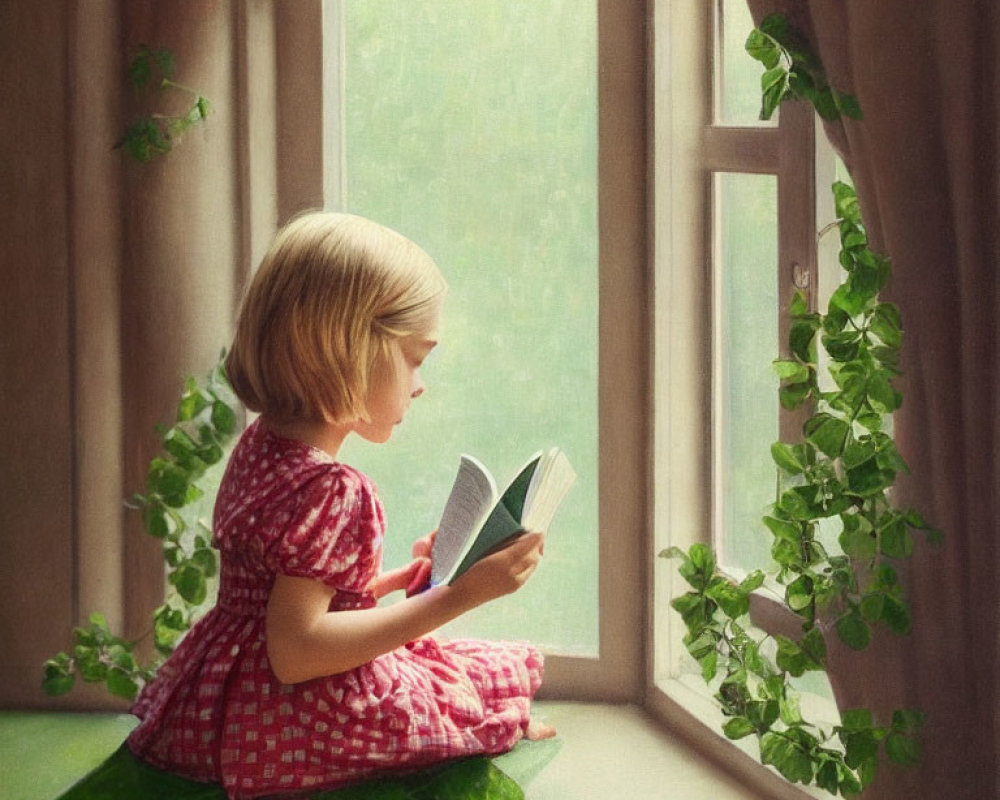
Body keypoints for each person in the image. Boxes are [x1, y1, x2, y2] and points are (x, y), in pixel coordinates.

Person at [127, 212, 554, 799]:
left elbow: (279, 598)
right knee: (457, 696)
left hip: (226, 691)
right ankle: (499, 727)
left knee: (454, 668)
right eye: (415, 359)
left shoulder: (262, 445)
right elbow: (297, 653)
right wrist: (463, 595)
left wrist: (383, 586)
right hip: (288, 714)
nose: (420, 383)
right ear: (351, 349)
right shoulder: (335, 489)